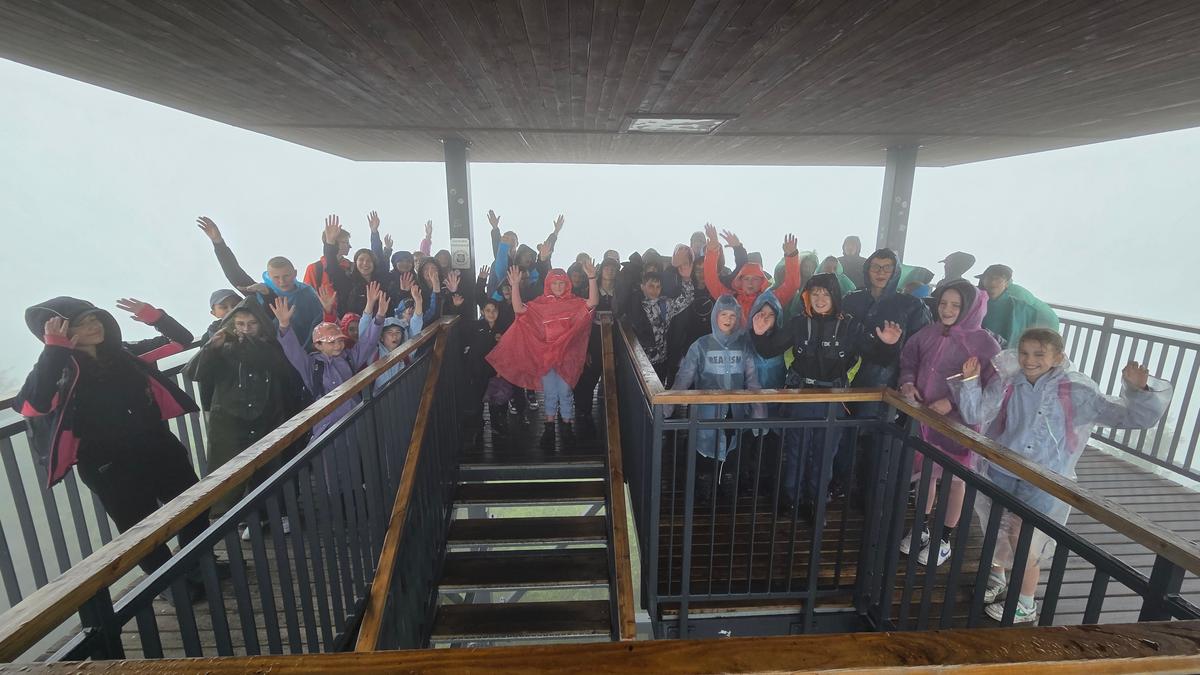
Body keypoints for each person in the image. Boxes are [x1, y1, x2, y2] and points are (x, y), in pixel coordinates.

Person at [952, 329, 1172, 624]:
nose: (1029, 360)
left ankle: (1025, 601)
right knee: (997, 525)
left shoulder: (1074, 390)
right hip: (1002, 467)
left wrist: (1138, 390)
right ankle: (998, 576)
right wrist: (969, 382)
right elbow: (975, 414)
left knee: (1023, 535)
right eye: (1025, 353)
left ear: (1058, 357)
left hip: (1044, 477)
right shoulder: (1010, 382)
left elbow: (1128, 417)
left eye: (1039, 354)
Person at [15, 296, 209, 587]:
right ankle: (170, 584)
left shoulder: (124, 354)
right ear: (62, 333)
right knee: (141, 530)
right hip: (107, 465)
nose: (94, 326)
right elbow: (32, 405)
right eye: (82, 323)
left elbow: (181, 341)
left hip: (158, 447)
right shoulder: (59, 372)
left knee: (195, 504)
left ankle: (195, 566)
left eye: (94, 318)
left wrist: (153, 316)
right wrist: (54, 350)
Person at [751, 275, 903, 519]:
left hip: (834, 401)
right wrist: (759, 335)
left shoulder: (850, 326)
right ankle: (791, 499)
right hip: (800, 398)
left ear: (835, 296)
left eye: (825, 293)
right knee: (796, 451)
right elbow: (770, 350)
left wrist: (888, 345)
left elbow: (879, 358)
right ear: (807, 297)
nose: (820, 299)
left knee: (824, 456)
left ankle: (815, 503)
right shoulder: (798, 323)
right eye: (815, 294)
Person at [896, 280, 1000, 565]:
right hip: (926, 418)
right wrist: (907, 383)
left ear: (969, 307)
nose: (947, 310)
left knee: (955, 482)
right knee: (926, 475)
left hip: (960, 426)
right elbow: (909, 360)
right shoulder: (929, 332)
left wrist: (952, 403)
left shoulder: (985, 344)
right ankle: (921, 528)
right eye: (943, 303)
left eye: (956, 305)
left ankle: (943, 538)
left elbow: (992, 389)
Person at [487, 263, 599, 450]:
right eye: (554, 283)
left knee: (565, 392)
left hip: (568, 356)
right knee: (550, 392)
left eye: (561, 283)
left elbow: (593, 302)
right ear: (548, 284)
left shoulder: (574, 303)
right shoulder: (540, 304)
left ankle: (567, 427)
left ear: (567, 284)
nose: (558, 287)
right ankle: (549, 428)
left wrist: (592, 278)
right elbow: (519, 310)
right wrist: (515, 285)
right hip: (546, 355)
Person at [668, 295, 766, 502]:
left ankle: (727, 486)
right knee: (704, 450)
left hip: (735, 411)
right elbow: (683, 378)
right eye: (724, 314)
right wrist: (666, 407)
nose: (728, 319)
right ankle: (703, 486)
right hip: (707, 413)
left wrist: (759, 414)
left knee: (732, 446)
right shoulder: (700, 345)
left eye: (733, 315)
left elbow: (752, 381)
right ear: (715, 316)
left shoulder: (744, 346)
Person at [273, 282, 388, 439]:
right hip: (327, 428)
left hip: (356, 418)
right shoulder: (311, 365)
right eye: (331, 342)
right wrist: (284, 325)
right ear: (318, 345)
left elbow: (368, 342)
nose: (338, 345)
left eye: (340, 341)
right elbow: (293, 352)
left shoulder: (349, 357)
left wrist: (379, 316)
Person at [197, 216, 324, 349]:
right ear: (269, 276)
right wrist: (218, 243)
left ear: (295, 273)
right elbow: (234, 273)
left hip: (308, 350)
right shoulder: (262, 290)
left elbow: (320, 321)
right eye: (276, 277)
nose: (282, 281)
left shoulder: (307, 293)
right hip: (275, 349)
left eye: (286, 276)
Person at [703, 223, 801, 320]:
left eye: (755, 279)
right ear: (740, 281)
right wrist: (712, 250)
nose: (750, 283)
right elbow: (711, 281)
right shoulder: (730, 299)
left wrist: (791, 255)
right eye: (746, 279)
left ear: (762, 281)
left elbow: (792, 285)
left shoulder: (770, 300)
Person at [627, 265, 695, 382]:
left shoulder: (665, 304)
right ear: (642, 287)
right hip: (639, 361)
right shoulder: (633, 306)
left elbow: (687, 299)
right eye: (651, 286)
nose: (655, 290)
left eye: (658, 286)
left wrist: (686, 279)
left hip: (661, 361)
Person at [977, 264, 1060, 348]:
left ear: (1006, 283)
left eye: (998, 279)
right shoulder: (975, 301)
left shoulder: (1019, 305)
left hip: (1009, 352)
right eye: (989, 278)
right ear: (983, 280)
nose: (993, 282)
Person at [465, 300, 509, 438]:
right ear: (483, 312)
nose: (491, 313)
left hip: (495, 371)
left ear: (498, 312)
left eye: (494, 310)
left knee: (495, 401)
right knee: (477, 401)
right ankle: (479, 426)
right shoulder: (475, 326)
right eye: (488, 310)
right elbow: (468, 345)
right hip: (478, 370)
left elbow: (507, 350)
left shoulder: (503, 328)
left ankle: (496, 425)